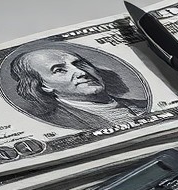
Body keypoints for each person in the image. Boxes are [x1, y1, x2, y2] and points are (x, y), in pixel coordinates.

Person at [8, 48, 150, 130]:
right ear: (44, 86)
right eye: (59, 70)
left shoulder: (142, 103)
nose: (81, 72)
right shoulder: (57, 122)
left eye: (79, 64)